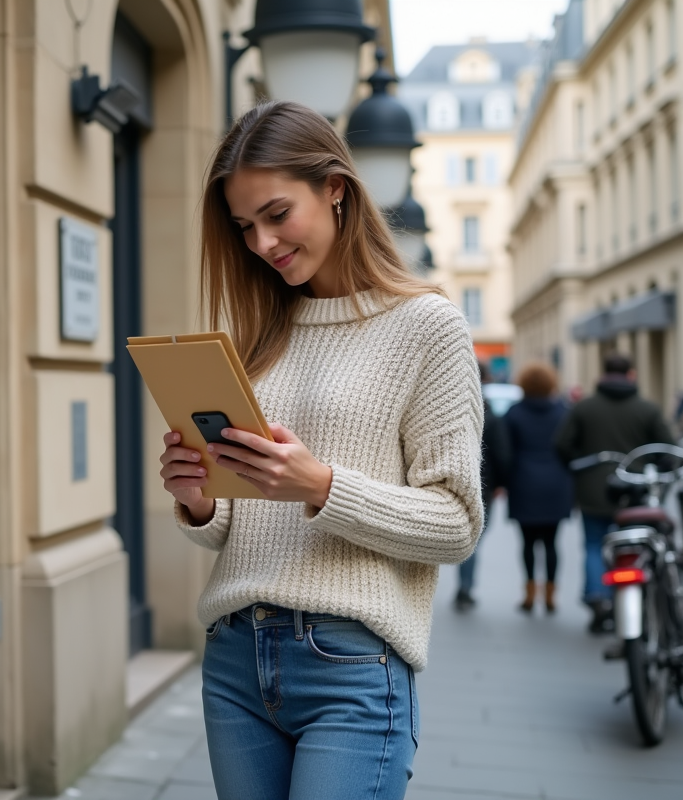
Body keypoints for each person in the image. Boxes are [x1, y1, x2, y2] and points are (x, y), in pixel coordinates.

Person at [159, 101, 482, 799]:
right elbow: (241, 523)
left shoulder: (429, 327)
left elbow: (456, 524)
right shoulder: (261, 335)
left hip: (351, 665)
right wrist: (200, 500)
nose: (262, 244)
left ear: (336, 188)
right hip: (235, 658)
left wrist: (322, 486)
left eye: (277, 214)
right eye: (245, 226)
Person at [554, 353, 673, 633]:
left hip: (594, 488)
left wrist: (577, 467)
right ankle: (637, 595)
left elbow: (561, 444)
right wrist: (655, 468)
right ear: (631, 374)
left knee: (595, 544)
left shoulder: (584, 408)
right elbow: (667, 449)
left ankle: (598, 597)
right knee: (635, 544)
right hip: (635, 489)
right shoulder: (647, 409)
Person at [504, 363, 573, 613]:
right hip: (557, 482)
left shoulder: (514, 413)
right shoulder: (563, 411)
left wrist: (504, 481)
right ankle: (551, 594)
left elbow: (506, 452)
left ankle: (530, 593)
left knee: (527, 543)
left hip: (524, 482)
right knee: (553, 543)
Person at [454, 360, 511, 611]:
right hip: (482, 486)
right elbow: (502, 454)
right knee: (472, 540)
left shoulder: (450, 410)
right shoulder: (489, 413)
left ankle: (462, 586)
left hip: (452, 481)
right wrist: (500, 483)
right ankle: (465, 587)